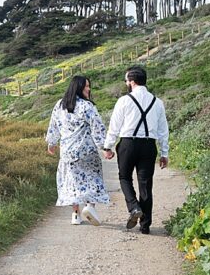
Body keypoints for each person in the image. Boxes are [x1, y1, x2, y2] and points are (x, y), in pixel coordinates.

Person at [102, 66, 169, 235]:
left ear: (132, 82)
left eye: (126, 81)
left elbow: (114, 126)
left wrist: (108, 146)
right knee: (145, 184)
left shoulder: (124, 101)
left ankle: (134, 208)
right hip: (148, 145)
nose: (126, 83)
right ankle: (145, 225)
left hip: (128, 144)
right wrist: (164, 153)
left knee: (124, 177)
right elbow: (163, 130)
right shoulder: (157, 102)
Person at [46, 75, 110, 226]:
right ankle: (89, 207)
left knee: (72, 183)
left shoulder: (60, 105)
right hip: (86, 151)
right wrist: (105, 147)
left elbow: (53, 127)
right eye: (86, 86)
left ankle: (75, 215)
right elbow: (97, 128)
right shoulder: (87, 106)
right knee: (92, 178)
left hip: (67, 152)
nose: (89, 89)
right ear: (79, 87)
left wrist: (52, 144)